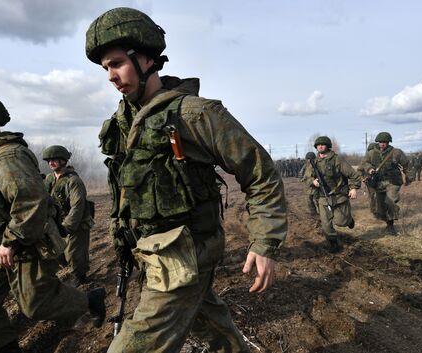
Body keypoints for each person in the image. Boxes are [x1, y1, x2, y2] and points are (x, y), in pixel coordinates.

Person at [85, 7, 287, 353]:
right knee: (209, 322)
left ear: (146, 59)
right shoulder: (122, 123)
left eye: (117, 63)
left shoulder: (193, 114)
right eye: (105, 68)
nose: (110, 76)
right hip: (154, 253)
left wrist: (264, 243)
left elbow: (260, 173)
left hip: (188, 252)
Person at [0, 93, 105, 353]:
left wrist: (11, 242)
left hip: (21, 244)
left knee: (35, 305)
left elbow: (30, 201)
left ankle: (89, 300)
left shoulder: (7, 156)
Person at [42, 145, 94, 287]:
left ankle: (81, 278)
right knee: (58, 253)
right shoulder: (48, 179)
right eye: (49, 160)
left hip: (77, 223)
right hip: (58, 223)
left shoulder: (73, 181)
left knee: (75, 253)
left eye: (54, 159)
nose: (51, 163)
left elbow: (77, 206)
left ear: (63, 161)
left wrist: (67, 227)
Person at [303, 136, 361, 253]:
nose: (320, 146)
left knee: (341, 222)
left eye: (323, 144)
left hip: (339, 196)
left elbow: (354, 175)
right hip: (323, 197)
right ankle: (333, 243)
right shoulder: (312, 162)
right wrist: (312, 181)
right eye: (318, 145)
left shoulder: (337, 160)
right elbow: (305, 178)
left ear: (328, 146)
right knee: (326, 224)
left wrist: (353, 188)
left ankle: (349, 220)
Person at [362, 132, 414, 235]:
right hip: (378, 182)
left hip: (393, 181)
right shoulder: (371, 153)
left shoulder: (396, 153)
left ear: (388, 142)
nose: (382, 144)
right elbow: (365, 163)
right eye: (381, 142)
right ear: (378, 142)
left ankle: (391, 225)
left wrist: (409, 177)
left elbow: (407, 165)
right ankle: (387, 222)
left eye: (385, 142)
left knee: (390, 201)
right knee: (380, 208)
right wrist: (370, 169)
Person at [357, 143, 379, 219]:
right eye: (371, 150)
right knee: (373, 196)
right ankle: (374, 212)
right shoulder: (365, 160)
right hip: (370, 181)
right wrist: (363, 178)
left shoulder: (380, 158)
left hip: (381, 180)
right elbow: (359, 170)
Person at [299, 152, 319, 219]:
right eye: (308, 159)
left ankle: (322, 214)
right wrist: (308, 181)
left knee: (318, 200)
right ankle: (314, 214)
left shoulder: (318, 165)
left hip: (318, 187)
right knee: (309, 201)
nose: (309, 161)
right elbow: (300, 176)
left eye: (311, 159)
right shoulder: (305, 166)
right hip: (308, 187)